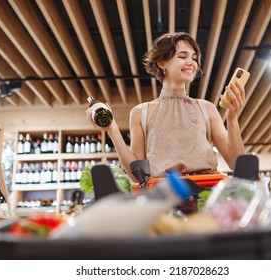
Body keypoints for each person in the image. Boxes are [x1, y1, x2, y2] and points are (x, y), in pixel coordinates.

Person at [86, 32, 245, 182]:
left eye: (194, 58)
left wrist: (232, 118)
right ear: (162, 63)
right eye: (182, 56)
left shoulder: (207, 108)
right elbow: (137, 175)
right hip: (164, 198)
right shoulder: (141, 113)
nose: (191, 62)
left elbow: (237, 164)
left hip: (207, 193)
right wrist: (112, 130)